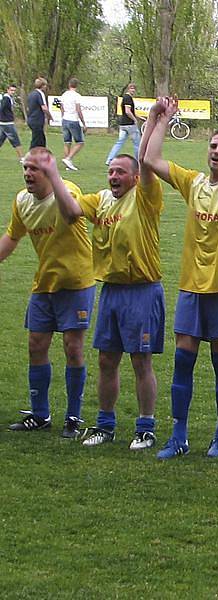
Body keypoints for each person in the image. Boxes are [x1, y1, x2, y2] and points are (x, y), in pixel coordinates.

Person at [142, 96, 218, 460]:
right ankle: (179, 434)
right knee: (183, 361)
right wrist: (163, 117)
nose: (216, 151)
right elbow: (150, 160)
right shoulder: (193, 183)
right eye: (212, 146)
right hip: (192, 286)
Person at [49, 102, 164, 450]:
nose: (113, 177)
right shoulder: (99, 200)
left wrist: (157, 119)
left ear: (133, 178)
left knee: (140, 360)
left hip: (142, 290)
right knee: (106, 359)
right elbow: (70, 213)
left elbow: (147, 162)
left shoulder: (145, 198)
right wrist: (54, 174)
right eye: (110, 171)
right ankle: (105, 425)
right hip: (111, 291)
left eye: (119, 172)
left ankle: (145, 427)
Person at [1, 147, 94, 438]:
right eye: (26, 168)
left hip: (76, 283)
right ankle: (40, 415)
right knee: (36, 345)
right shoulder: (21, 200)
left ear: (48, 171)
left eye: (34, 169)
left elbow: (70, 216)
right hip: (44, 284)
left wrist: (56, 177)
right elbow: (12, 236)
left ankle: (73, 417)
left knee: (73, 348)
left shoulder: (67, 191)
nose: (28, 174)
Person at [105, 82, 142, 166]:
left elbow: (131, 112)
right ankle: (138, 162)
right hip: (130, 124)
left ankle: (109, 160)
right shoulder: (128, 98)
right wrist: (134, 120)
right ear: (128, 89)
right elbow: (128, 111)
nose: (133, 90)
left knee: (119, 142)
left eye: (134, 89)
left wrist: (140, 117)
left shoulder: (125, 98)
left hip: (123, 124)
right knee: (137, 144)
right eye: (131, 88)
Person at [58, 78, 87, 171]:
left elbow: (61, 107)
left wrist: (63, 117)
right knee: (80, 142)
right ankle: (68, 159)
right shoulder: (77, 96)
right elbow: (78, 110)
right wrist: (83, 123)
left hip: (65, 119)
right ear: (77, 85)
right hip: (73, 120)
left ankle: (68, 165)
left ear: (69, 85)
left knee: (67, 142)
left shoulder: (64, 95)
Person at [1, 84, 25, 163]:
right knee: (16, 140)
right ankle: (22, 157)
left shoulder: (9, 98)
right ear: (7, 90)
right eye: (11, 90)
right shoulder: (6, 98)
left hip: (2, 123)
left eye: (14, 90)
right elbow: (2, 108)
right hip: (7, 123)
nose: (13, 92)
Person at [26, 77, 52, 149]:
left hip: (31, 119)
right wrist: (49, 116)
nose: (46, 87)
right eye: (45, 85)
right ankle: (30, 156)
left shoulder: (31, 94)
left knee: (41, 139)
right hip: (37, 120)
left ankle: (41, 155)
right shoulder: (40, 94)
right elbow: (44, 108)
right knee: (36, 140)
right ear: (42, 86)